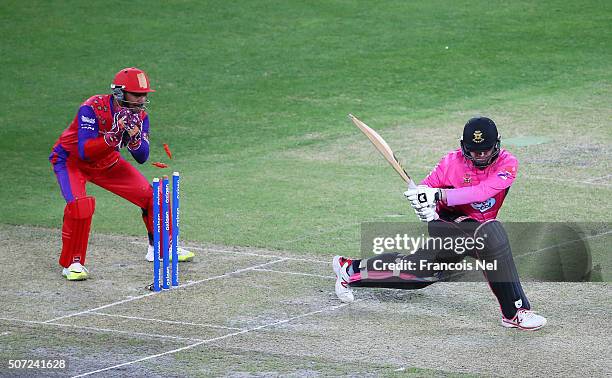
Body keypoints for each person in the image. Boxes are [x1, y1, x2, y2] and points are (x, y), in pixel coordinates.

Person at [333, 117, 547, 330]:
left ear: (497, 145)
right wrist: (423, 204)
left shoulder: (508, 164)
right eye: (473, 151)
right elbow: (426, 189)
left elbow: (482, 193)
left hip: (475, 226)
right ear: (463, 146)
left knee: (420, 274)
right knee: (492, 234)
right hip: (447, 224)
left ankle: (349, 269)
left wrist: (439, 195)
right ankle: (515, 312)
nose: (480, 156)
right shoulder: (450, 163)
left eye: (486, 150)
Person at [49, 67, 194, 281]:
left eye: (144, 94)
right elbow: (84, 151)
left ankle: (162, 248)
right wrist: (114, 136)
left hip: (107, 163)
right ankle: (73, 263)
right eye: (136, 94)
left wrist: (135, 139)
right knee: (81, 207)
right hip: (72, 162)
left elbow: (143, 156)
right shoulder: (92, 108)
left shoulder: (140, 116)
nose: (141, 99)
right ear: (119, 93)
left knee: (154, 196)